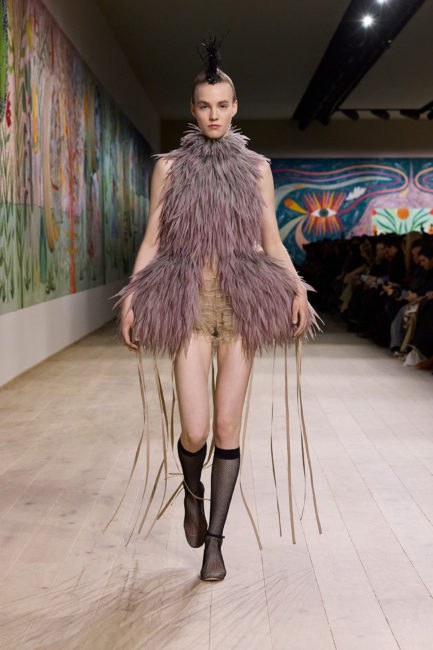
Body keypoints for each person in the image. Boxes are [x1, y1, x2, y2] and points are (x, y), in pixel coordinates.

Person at [105, 36, 323, 581]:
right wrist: (131, 297)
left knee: (227, 426)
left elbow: (272, 242)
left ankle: (216, 545)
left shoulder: (256, 169)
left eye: (222, 105)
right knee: (196, 430)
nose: (214, 115)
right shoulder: (170, 168)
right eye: (204, 106)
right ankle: (192, 493)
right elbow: (153, 240)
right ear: (193, 108)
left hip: (242, 306)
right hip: (187, 305)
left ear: (235, 107)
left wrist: (297, 289)